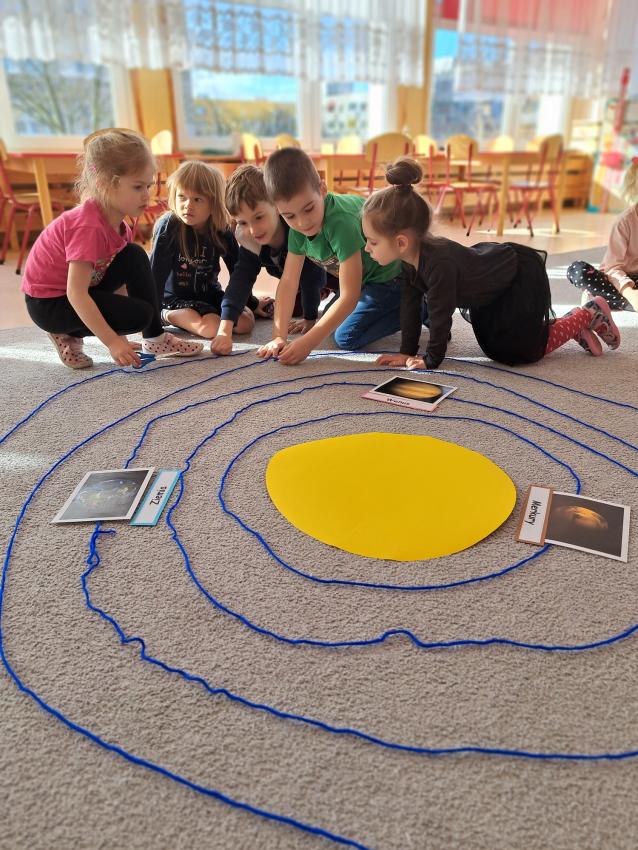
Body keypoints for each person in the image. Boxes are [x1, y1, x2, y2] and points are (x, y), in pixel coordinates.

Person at [361, 159, 620, 372]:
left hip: (515, 278)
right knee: (496, 346)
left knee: (519, 352)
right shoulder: (409, 261)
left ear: (401, 242)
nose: (367, 248)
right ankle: (572, 326)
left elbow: (440, 316)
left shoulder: (438, 264)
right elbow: (409, 307)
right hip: (487, 289)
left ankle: (587, 314)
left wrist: (431, 360)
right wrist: (406, 352)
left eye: (372, 242)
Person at [21, 129, 203, 369]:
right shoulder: (88, 227)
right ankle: (64, 332)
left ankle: (156, 339)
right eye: (138, 187)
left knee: (134, 255)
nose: (146, 196)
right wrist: (113, 341)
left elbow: (113, 281)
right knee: (138, 315)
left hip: (79, 290)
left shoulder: (119, 226)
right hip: (48, 304)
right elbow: (76, 293)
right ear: (105, 184)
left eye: (148, 186)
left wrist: (120, 331)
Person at [256, 147, 417, 365]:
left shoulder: (341, 223)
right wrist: (278, 336)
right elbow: (288, 282)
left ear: (322, 189)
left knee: (345, 336)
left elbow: (349, 297)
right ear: (278, 210)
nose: (302, 222)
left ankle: (417, 307)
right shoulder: (297, 231)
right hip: (363, 281)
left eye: (309, 209)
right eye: (289, 216)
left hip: (391, 278)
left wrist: (307, 343)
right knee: (329, 323)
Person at [151, 160, 270, 354]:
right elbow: (155, 276)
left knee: (245, 323)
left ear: (213, 202)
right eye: (182, 197)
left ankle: (208, 314)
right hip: (175, 299)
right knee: (211, 327)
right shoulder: (169, 226)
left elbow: (238, 271)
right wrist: (153, 315)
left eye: (197, 199)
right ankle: (167, 316)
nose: (188, 205)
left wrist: (251, 302)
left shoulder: (221, 228)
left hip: (210, 294)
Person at [222, 163, 331, 354]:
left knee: (331, 319)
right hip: (294, 278)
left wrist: (310, 318)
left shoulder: (297, 229)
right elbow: (240, 280)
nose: (253, 230)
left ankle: (325, 293)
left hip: (331, 272)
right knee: (287, 308)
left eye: (259, 217)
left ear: (277, 206)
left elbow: (312, 276)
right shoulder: (249, 237)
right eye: (242, 222)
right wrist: (224, 329)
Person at [566, 157, 638, 312]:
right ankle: (625, 302)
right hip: (616, 279)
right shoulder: (624, 222)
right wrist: (630, 294)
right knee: (578, 270)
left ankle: (602, 300)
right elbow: (613, 268)